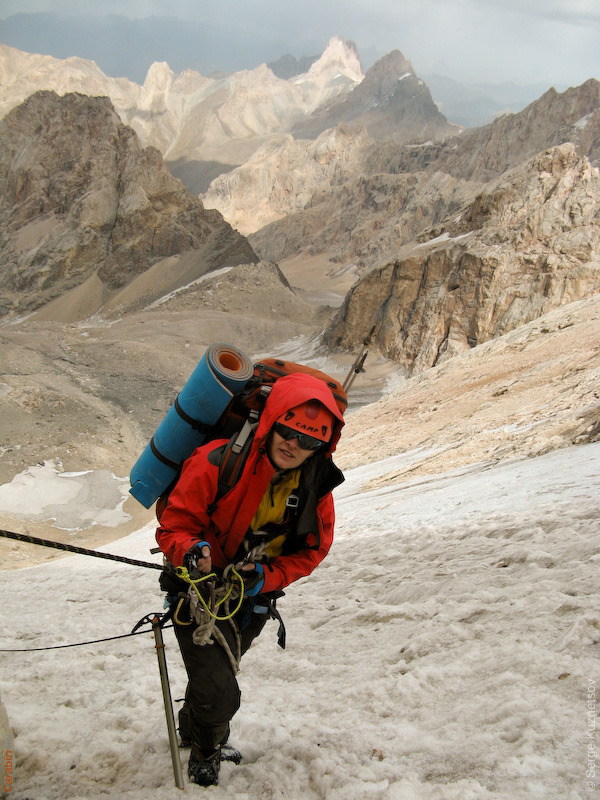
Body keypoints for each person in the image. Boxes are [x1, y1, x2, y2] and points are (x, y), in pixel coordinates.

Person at [156, 371, 345, 786]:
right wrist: (191, 551)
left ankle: (192, 727)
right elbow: (174, 526)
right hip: (197, 594)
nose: (295, 445)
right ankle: (207, 749)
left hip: (252, 601)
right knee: (222, 690)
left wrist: (268, 576)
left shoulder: (315, 487)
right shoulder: (216, 462)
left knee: (214, 675)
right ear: (272, 422)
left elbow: (313, 550)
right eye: (289, 432)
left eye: (311, 440)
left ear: (323, 446)